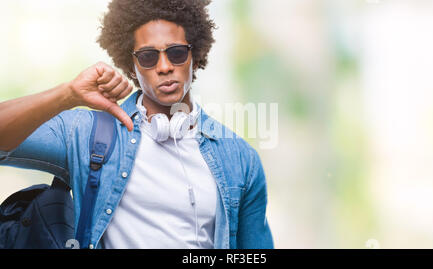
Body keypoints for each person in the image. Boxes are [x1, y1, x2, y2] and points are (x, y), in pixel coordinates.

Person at [0, 0, 274, 249]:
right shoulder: (87, 135)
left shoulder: (239, 159)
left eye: (177, 53)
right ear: (131, 66)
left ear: (195, 55)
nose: (164, 66)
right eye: (148, 56)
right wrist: (68, 94)